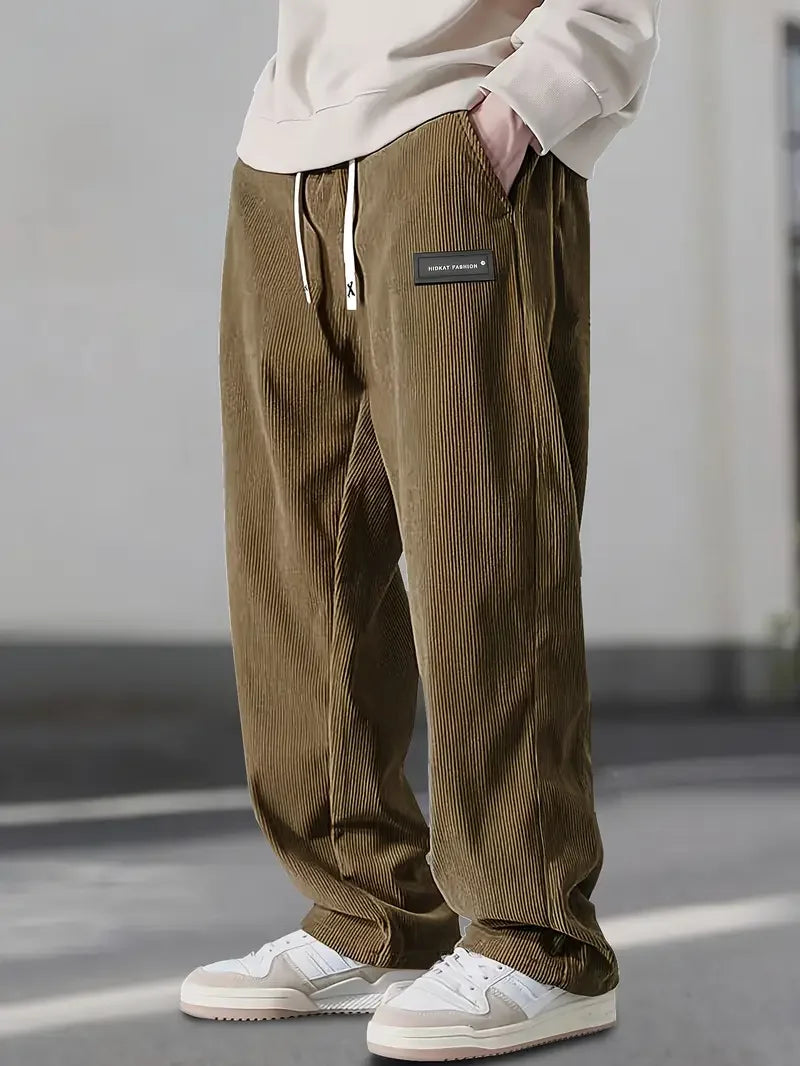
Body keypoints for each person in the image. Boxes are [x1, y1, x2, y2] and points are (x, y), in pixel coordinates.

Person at [180, 1, 660, 1059]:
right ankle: (371, 914)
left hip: (450, 140)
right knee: (295, 563)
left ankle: (538, 939)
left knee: (482, 545)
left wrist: (517, 111)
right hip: (283, 162)